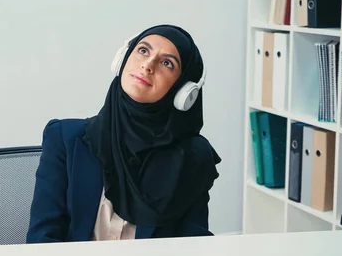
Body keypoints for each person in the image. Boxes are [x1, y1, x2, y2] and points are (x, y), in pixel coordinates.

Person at [26, 24, 221, 243]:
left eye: (167, 63)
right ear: (123, 58)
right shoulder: (64, 138)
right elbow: (42, 239)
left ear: (183, 90)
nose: (148, 65)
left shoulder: (193, 156)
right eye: (143, 51)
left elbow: (193, 247)